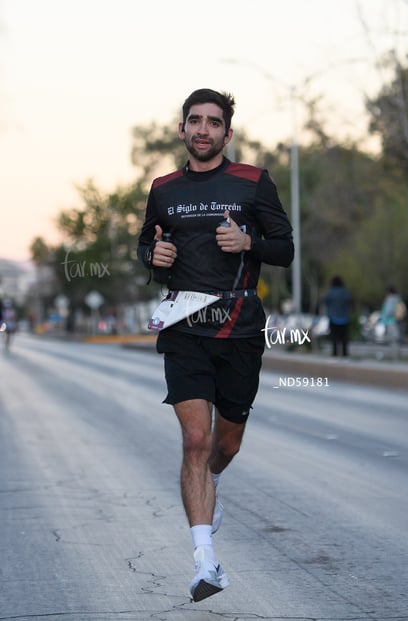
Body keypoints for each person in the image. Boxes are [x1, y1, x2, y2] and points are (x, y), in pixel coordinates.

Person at [137, 88, 294, 602]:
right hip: (183, 326)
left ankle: (212, 485)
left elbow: (286, 250)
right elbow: (146, 246)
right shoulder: (162, 188)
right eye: (194, 121)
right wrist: (154, 255)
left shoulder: (254, 182)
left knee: (224, 445)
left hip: (239, 328)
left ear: (227, 132)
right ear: (182, 130)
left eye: (212, 122)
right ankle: (206, 562)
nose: (202, 130)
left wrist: (250, 243)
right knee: (195, 443)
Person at [323, 275, 351, 357]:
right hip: (344, 318)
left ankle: (335, 353)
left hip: (333, 318)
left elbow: (325, 301)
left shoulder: (331, 292)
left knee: (334, 338)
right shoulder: (345, 292)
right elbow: (349, 301)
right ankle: (345, 353)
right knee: (344, 338)